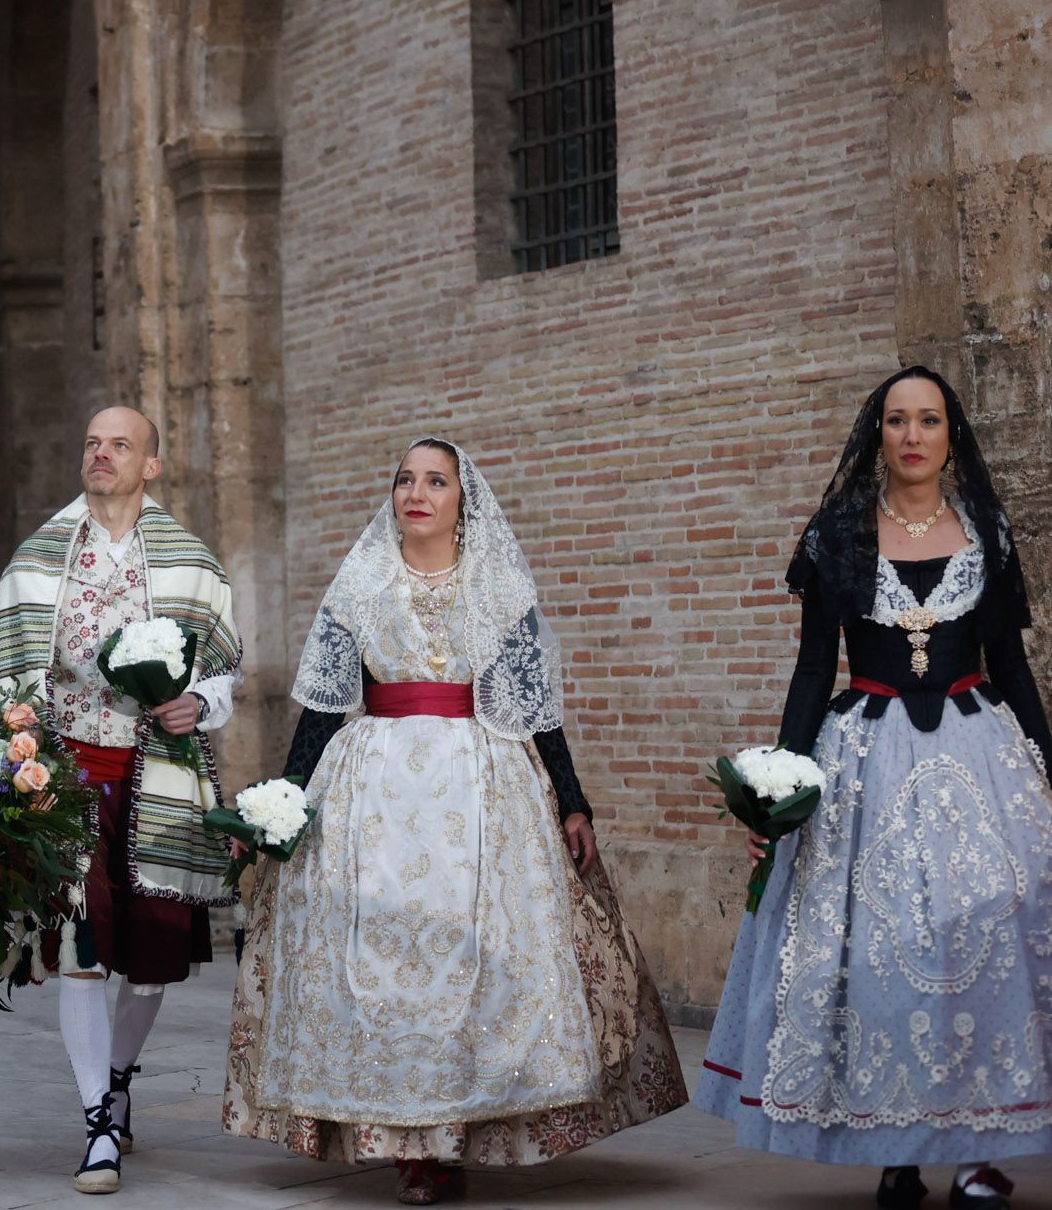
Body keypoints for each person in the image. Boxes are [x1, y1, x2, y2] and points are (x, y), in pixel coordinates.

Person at [223, 438, 686, 1204]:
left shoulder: (496, 582)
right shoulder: (363, 579)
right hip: (370, 791)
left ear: (462, 499)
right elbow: (322, 707)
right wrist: (284, 800)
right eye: (405, 478)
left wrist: (572, 799)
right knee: (375, 952)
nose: (418, 491)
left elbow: (538, 712)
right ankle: (407, 1143)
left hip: (479, 788)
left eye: (436, 480)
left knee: (471, 958)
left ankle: (461, 1130)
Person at [696, 367, 1052, 1210]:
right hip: (866, 761)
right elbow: (815, 667)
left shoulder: (988, 533)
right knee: (881, 957)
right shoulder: (839, 538)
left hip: (980, 759)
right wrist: (775, 789)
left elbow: (1015, 670)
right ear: (879, 434)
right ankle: (897, 1150)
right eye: (898, 420)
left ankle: (974, 1154)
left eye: (930, 419)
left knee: (981, 949)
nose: (914, 435)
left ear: (950, 434)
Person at [0, 406, 242, 1196]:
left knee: (154, 958)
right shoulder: (35, 560)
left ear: (150, 465)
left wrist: (200, 701)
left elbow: (226, 668)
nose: (101, 454)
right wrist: (19, 748)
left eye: (119, 445)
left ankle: (121, 1074)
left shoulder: (190, 561)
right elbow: (8, 672)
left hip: (160, 774)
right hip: (67, 776)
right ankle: (98, 1118)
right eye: (93, 442)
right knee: (84, 948)